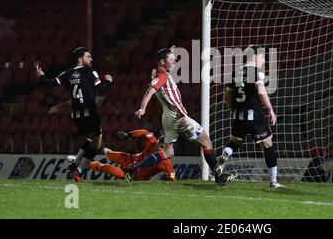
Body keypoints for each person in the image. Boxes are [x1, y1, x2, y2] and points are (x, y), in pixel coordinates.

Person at [126, 46, 236, 185]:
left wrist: (170, 50)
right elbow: (151, 91)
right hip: (180, 117)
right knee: (206, 142)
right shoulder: (162, 76)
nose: (174, 62)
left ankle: (136, 168)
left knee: (167, 153)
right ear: (161, 62)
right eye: (171, 60)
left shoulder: (158, 74)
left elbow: (152, 85)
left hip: (168, 119)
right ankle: (218, 177)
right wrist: (142, 108)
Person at [36, 47, 113, 182]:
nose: (91, 59)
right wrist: (108, 81)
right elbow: (103, 90)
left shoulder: (67, 73)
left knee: (91, 141)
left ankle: (74, 165)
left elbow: (48, 84)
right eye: (88, 57)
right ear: (80, 59)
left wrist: (41, 76)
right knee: (97, 144)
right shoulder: (90, 72)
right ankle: (78, 169)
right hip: (89, 113)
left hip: (76, 115)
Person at [217, 45, 284, 188]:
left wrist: (232, 109)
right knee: (268, 145)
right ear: (254, 57)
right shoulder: (256, 72)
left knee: (235, 142)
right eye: (262, 57)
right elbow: (261, 91)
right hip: (255, 116)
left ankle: (225, 156)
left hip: (238, 116)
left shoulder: (235, 72)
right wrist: (271, 109)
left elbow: (227, 96)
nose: (264, 60)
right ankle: (273, 181)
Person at [69, 129, 176, 181]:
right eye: (160, 146)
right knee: (109, 154)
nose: (161, 149)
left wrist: (169, 179)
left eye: (163, 147)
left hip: (135, 174)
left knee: (105, 168)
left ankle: (84, 163)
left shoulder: (166, 161)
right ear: (158, 143)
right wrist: (128, 134)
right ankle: (101, 149)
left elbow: (172, 176)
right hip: (132, 159)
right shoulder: (153, 142)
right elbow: (144, 132)